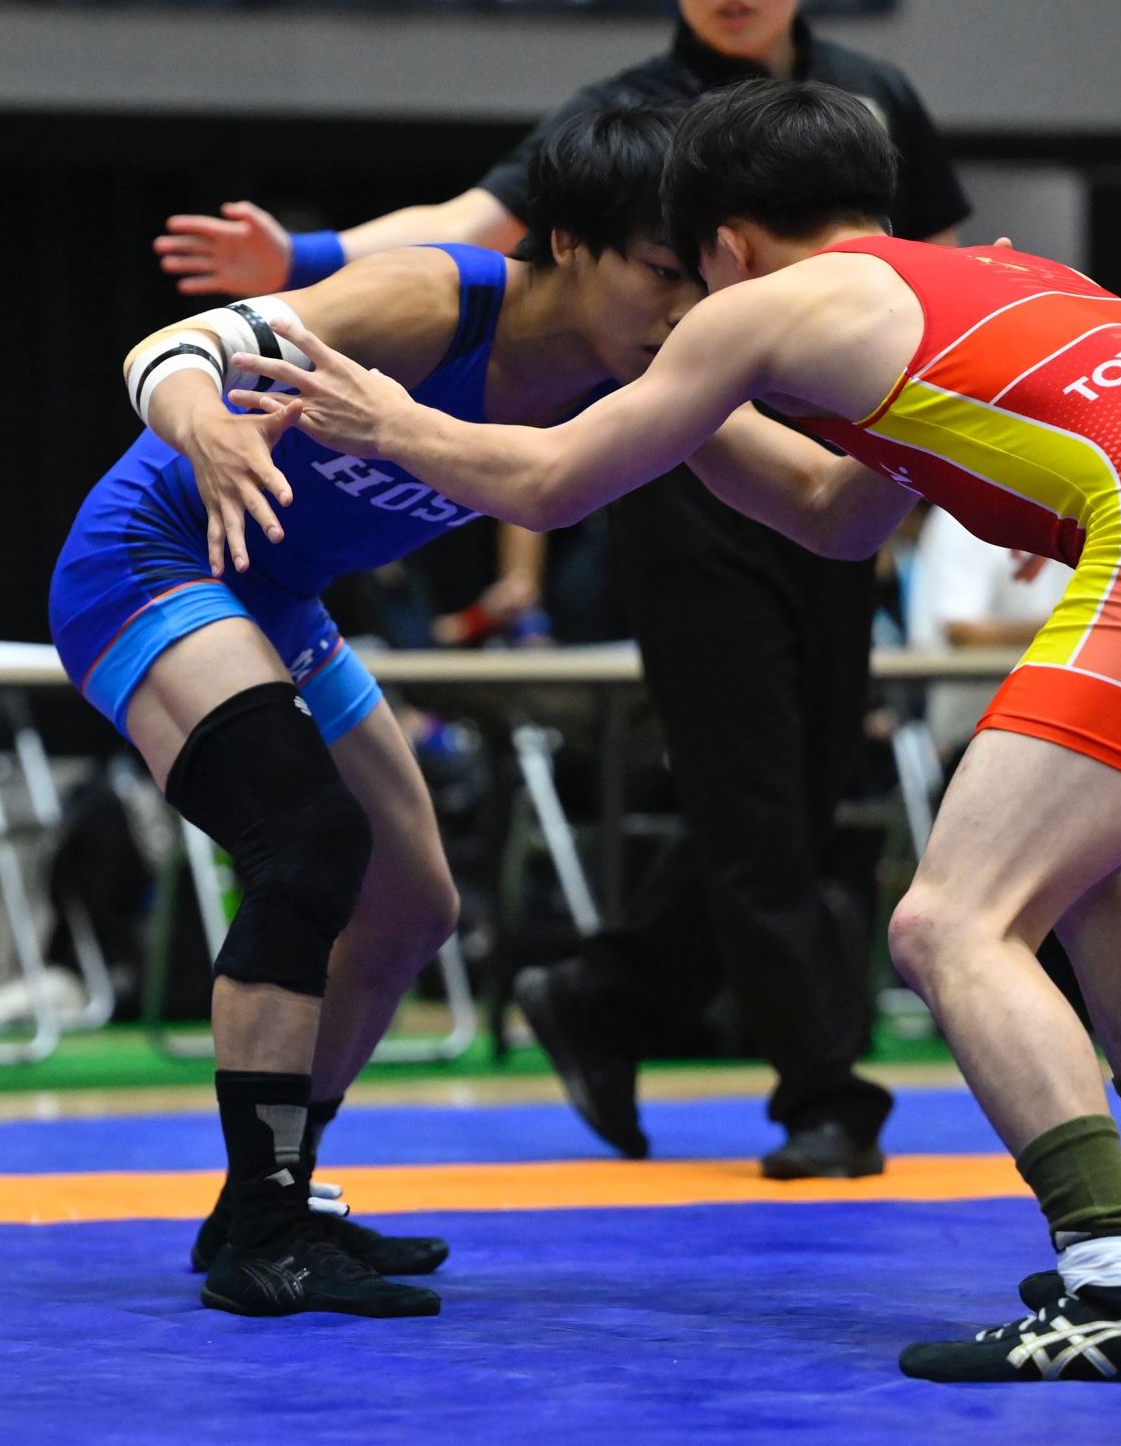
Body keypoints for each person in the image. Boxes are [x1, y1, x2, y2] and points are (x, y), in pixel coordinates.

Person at [237, 80, 1121, 1381]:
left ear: (727, 244)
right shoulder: (976, 276)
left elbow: (549, 485)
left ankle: (1115, 1285)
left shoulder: (769, 304)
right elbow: (838, 514)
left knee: (951, 922)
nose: (681, 303)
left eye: (686, 272)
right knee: (1080, 873)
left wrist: (396, 423)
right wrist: (670, 398)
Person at [163, 0, 967, 1180]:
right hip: (674, 481)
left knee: (805, 797)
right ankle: (821, 1089)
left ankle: (610, 994)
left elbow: (932, 288)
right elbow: (463, 224)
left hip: (823, 469)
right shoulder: (623, 122)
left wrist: (950, 445)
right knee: (748, 803)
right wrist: (301, 264)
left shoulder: (869, 105)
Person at [53, 108, 696, 1320]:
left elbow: (815, 486)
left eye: (702, 282)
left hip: (277, 595)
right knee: (306, 841)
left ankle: (269, 1198)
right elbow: (172, 349)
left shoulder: (647, 371)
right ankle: (263, 1230)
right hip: (152, 554)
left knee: (412, 904)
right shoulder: (435, 299)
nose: (684, 310)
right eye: (662, 271)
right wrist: (205, 425)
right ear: (570, 241)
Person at [905, 508, 1071, 762]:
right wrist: (1070, 626)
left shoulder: (1087, 508)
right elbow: (963, 632)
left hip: (1058, 722)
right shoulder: (961, 511)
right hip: (973, 731)